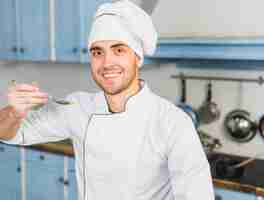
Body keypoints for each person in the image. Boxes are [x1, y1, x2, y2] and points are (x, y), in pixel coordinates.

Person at [0, 0, 214, 199]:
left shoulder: (172, 123)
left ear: (137, 58)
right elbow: (10, 133)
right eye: (97, 52)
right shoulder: (77, 107)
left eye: (118, 50)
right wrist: (13, 113)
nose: (106, 62)